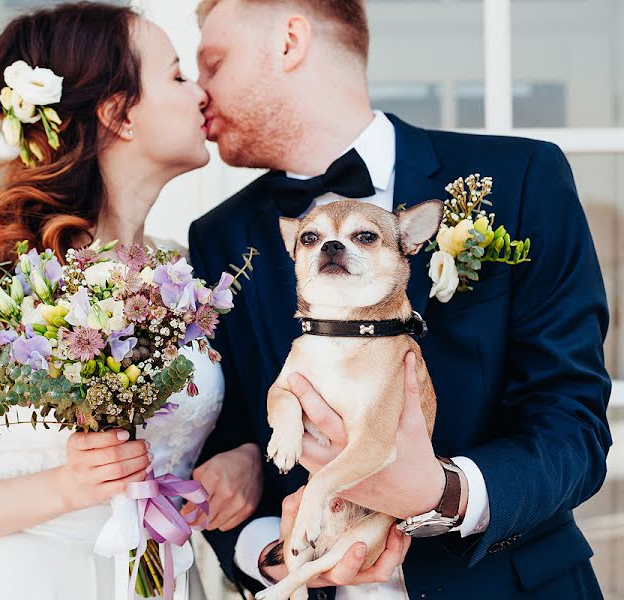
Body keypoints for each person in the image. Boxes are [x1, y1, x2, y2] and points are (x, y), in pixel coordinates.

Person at [186, 1, 612, 598]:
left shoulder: (520, 177)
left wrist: (441, 492)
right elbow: (227, 441)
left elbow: (574, 422)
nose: (198, 92)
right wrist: (277, 556)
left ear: (289, 42)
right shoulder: (220, 237)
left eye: (213, 63)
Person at [0, 3, 259, 598]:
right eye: (177, 75)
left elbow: (201, 432)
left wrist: (244, 461)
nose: (200, 93)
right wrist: (67, 488)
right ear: (117, 113)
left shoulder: (185, 274)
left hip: (163, 580)